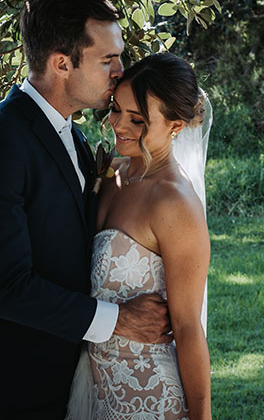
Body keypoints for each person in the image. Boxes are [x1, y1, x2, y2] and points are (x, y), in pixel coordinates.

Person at [0, 0, 173, 419]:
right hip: (0, 386)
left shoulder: (71, 135)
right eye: (108, 60)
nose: (121, 71)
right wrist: (118, 320)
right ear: (62, 63)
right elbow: (7, 290)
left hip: (59, 378)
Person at [66, 52, 212, 420]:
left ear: (176, 125)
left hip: (148, 397)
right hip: (93, 390)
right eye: (116, 109)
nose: (119, 125)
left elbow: (188, 327)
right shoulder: (110, 175)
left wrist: (202, 416)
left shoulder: (175, 203)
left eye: (138, 120)